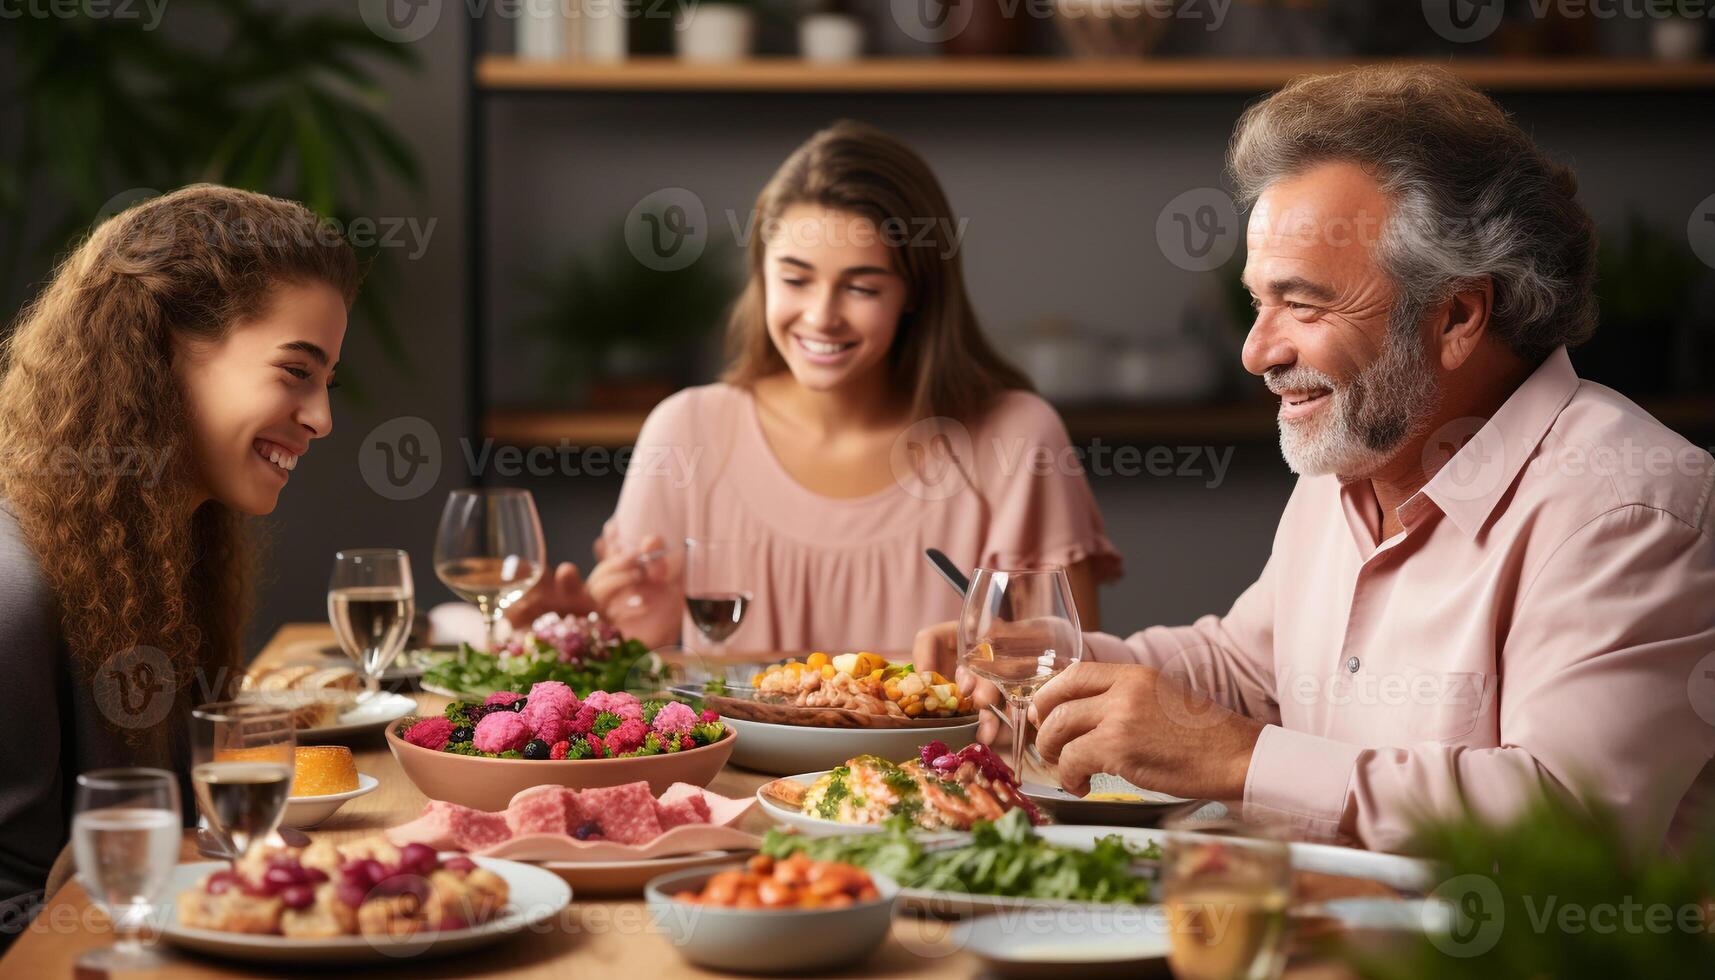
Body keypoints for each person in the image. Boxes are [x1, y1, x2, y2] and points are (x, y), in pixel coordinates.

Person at [916, 65, 1715, 853]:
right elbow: (1244, 670)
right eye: (1259, 302)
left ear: (1458, 314)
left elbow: (1570, 817)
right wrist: (1058, 662)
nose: (1256, 351)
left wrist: (1236, 759)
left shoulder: (1631, 507)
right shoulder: (1354, 458)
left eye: (1301, 304)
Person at [509, 120, 1121, 652]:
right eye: (795, 279)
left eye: (862, 287)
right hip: (730, 787)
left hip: (947, 783)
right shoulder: (685, 432)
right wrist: (594, 631)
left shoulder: (1017, 440)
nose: (822, 316)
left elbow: (1066, 689)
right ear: (761, 277)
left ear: (915, 295)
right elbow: (644, 682)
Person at [0, 185, 358, 939]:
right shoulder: (13, 591)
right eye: (296, 371)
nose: (322, 419)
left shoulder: (159, 550)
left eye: (327, 382)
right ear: (159, 349)